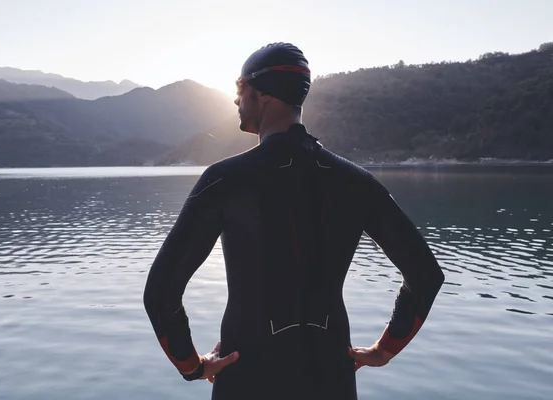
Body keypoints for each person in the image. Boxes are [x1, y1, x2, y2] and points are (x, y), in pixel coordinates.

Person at [143, 42, 445, 400]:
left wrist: (192, 366)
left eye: (240, 90)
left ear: (264, 96)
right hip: (330, 377)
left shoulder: (225, 181)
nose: (236, 100)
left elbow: (161, 291)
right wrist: (384, 350)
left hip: (247, 377)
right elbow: (425, 275)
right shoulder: (355, 181)